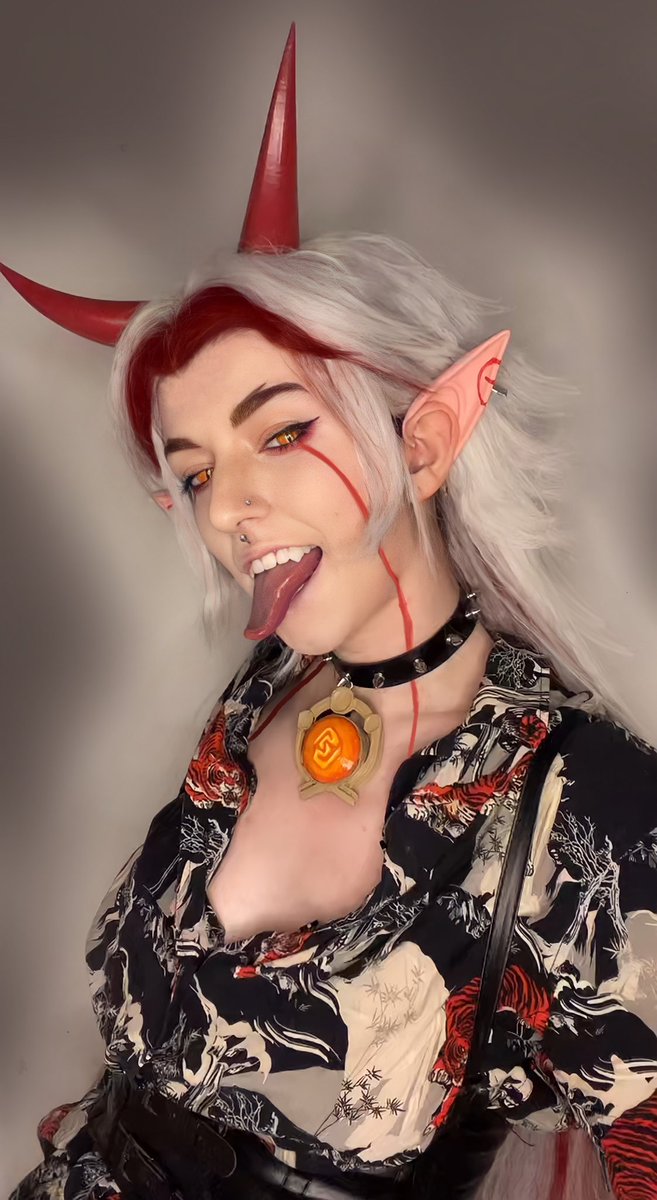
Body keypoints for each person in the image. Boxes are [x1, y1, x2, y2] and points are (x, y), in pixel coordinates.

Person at [5, 24, 657, 1200]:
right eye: (196, 472)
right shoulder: (265, 692)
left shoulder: (587, 811)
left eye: (283, 431)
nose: (228, 510)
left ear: (427, 438)